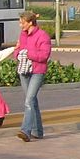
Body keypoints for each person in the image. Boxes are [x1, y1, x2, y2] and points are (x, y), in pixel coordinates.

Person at [11, 10, 52, 142]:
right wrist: (18, 53)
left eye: (22, 23)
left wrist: (28, 53)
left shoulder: (43, 36)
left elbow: (44, 55)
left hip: (37, 71)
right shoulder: (23, 35)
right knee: (32, 101)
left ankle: (26, 130)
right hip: (24, 71)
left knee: (29, 101)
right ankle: (38, 131)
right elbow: (18, 50)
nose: (20, 25)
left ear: (30, 23)